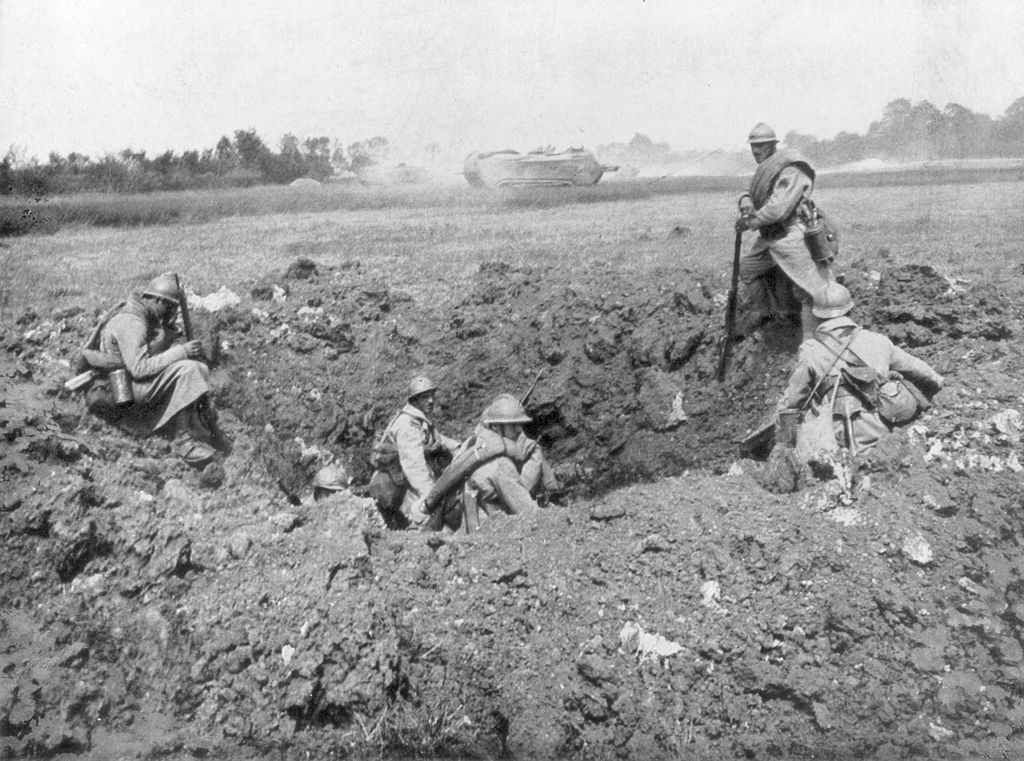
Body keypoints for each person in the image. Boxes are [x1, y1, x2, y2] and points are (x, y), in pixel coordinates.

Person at [777, 282, 944, 455]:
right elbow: (918, 369)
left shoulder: (809, 350)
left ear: (817, 317)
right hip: (882, 428)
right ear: (851, 311)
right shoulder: (878, 341)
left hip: (834, 436)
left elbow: (794, 401)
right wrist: (939, 383)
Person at [82, 272, 226, 466]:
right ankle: (183, 442)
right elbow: (140, 369)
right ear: (158, 301)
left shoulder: (139, 315)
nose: (169, 314)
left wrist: (167, 338)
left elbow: (145, 353)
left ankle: (198, 428)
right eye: (168, 307)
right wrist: (181, 352)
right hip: (121, 389)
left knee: (198, 368)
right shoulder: (132, 323)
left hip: (130, 382)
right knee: (188, 370)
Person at [735, 122, 833, 340]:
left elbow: (778, 208)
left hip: (792, 235)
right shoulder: (769, 168)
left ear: (772, 146)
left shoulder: (791, 169)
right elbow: (755, 188)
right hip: (770, 237)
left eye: (760, 146)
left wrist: (752, 221)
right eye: (753, 146)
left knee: (808, 290)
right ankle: (769, 316)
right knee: (748, 269)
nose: (755, 151)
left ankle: (812, 340)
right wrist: (745, 198)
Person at [424, 394, 559, 532]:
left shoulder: (478, 446)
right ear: (495, 427)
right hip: (486, 530)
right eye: (513, 425)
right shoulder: (502, 465)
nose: (519, 430)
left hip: (464, 522)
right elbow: (527, 511)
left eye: (519, 424)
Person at [366, 375, 460, 528]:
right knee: (425, 519)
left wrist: (457, 447)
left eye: (431, 396)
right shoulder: (407, 426)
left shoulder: (419, 420)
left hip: (405, 480)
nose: (430, 401)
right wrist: (431, 495)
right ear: (415, 400)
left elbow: (435, 438)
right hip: (397, 487)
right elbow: (414, 467)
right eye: (424, 397)